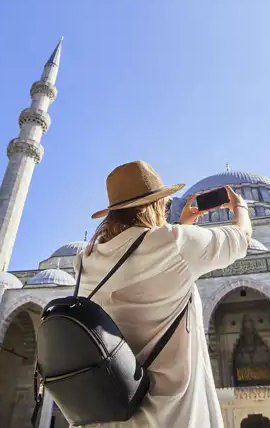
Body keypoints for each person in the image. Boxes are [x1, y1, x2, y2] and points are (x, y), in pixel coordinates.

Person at [74, 160, 252, 428]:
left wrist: (183, 226)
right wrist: (240, 207)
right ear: (156, 204)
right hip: (166, 416)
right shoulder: (174, 243)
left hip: (100, 414)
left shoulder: (83, 261)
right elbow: (242, 238)